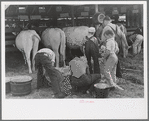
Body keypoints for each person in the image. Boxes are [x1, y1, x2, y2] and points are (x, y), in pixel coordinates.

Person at [100, 16, 128, 82]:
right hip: (116, 45)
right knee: (116, 59)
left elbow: (103, 39)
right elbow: (123, 35)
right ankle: (118, 75)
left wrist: (101, 47)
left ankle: (109, 78)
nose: (103, 24)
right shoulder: (116, 26)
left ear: (105, 21)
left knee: (109, 61)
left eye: (103, 22)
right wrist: (126, 44)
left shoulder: (106, 27)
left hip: (110, 45)